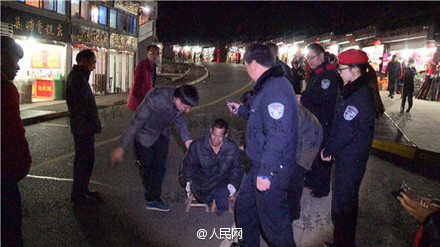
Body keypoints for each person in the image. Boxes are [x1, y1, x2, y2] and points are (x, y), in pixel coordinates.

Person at [227, 43, 299, 247]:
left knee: (274, 223)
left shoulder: (275, 89)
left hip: (273, 168)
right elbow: (261, 116)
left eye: (246, 65)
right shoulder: (268, 85)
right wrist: (241, 110)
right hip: (262, 164)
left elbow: (278, 135)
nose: (246, 69)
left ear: (255, 64)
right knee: (246, 208)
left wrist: (266, 173)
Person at [321, 49, 384, 247]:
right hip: (350, 158)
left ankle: (343, 243)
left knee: (343, 206)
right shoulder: (353, 88)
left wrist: (329, 150)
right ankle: (343, 241)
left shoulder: (358, 96)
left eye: (341, 69)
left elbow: (345, 131)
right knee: (347, 203)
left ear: (355, 69)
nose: (339, 72)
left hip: (350, 160)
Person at [111, 85, 199, 211]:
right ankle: (149, 190)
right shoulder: (155, 99)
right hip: (144, 135)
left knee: (159, 167)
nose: (188, 110)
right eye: (186, 107)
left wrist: (189, 144)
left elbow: (181, 124)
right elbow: (136, 123)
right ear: (178, 100)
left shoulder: (179, 101)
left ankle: (153, 199)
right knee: (146, 167)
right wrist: (121, 147)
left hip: (162, 134)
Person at [1, 36, 32, 247]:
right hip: (5, 174)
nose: (18, 67)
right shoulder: (5, 91)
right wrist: (21, 164)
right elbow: (12, 135)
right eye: (14, 60)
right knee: (10, 227)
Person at [300, 43, 341, 198]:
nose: (309, 61)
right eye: (307, 58)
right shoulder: (317, 73)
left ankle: (323, 187)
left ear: (321, 56)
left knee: (323, 152)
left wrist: (303, 98)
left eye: (312, 57)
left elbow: (322, 97)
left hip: (324, 120)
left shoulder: (328, 75)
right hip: (314, 120)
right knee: (312, 150)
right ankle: (311, 179)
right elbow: (311, 92)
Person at [180, 119, 244, 216]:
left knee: (223, 206)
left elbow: (237, 168)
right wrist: (187, 182)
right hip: (202, 182)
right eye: (214, 135)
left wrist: (233, 185)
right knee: (205, 197)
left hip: (222, 181)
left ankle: (219, 200)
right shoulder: (197, 145)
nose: (215, 139)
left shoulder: (232, 148)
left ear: (225, 136)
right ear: (210, 131)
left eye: (220, 137)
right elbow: (188, 165)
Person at [66, 49, 102, 205]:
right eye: (93, 62)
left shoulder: (80, 77)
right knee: (84, 161)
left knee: (85, 160)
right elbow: (81, 106)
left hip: (84, 126)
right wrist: (91, 121)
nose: (94, 67)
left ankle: (83, 189)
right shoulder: (77, 79)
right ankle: (78, 195)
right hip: (82, 127)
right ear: (84, 61)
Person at [288, 104, 324, 221]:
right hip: (306, 134)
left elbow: (295, 143)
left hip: (310, 141)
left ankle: (293, 211)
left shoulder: (293, 113)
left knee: (295, 176)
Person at [126, 44, 160, 111]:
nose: (155, 56)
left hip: (146, 101)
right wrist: (143, 102)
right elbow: (136, 87)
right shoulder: (141, 67)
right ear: (147, 53)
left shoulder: (153, 67)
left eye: (157, 54)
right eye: (153, 53)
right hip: (140, 103)